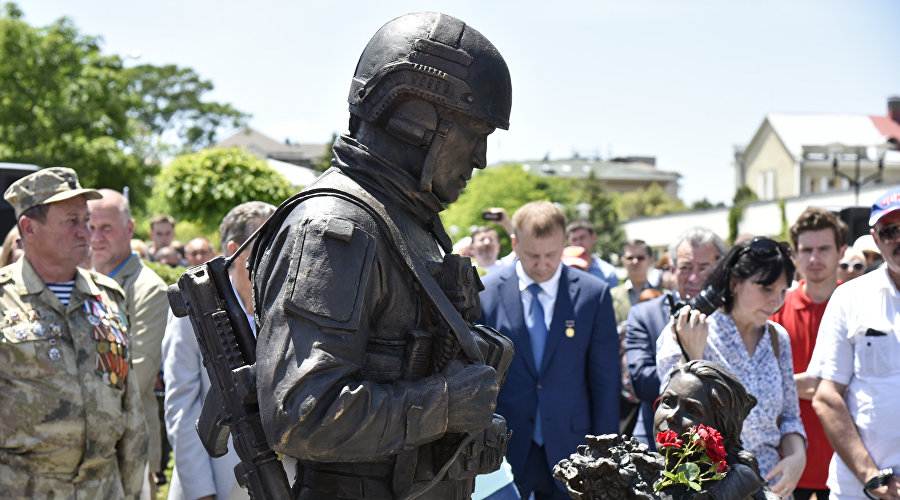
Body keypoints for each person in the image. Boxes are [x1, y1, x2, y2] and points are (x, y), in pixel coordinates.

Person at [249, 12, 512, 500]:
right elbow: (303, 414)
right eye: (475, 132)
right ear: (417, 120)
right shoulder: (336, 229)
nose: (480, 159)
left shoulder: (407, 223)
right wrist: (445, 405)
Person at [0, 167, 147, 497]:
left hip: (103, 488)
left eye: (86, 220)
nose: (86, 232)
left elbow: (130, 407)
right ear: (29, 228)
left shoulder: (108, 296)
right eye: (71, 222)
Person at [479, 201, 620, 499]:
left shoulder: (593, 295)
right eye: (532, 256)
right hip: (506, 447)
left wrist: (606, 454)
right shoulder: (486, 294)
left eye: (551, 255)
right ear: (515, 244)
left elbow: (605, 381)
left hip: (573, 447)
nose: (542, 265)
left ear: (563, 245)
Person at [656, 236, 807, 498]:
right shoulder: (688, 329)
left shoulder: (777, 337)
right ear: (735, 283)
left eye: (783, 291)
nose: (776, 300)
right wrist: (693, 355)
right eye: (766, 288)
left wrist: (797, 457)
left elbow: (791, 416)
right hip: (708, 488)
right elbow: (671, 420)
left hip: (774, 487)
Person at [163, 201, 276, 500]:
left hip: (279, 482)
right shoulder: (197, 307)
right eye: (266, 242)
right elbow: (181, 406)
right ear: (235, 250)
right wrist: (201, 491)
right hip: (212, 485)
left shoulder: (284, 305)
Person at [809, 185, 900, 500]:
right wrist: (873, 478)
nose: (899, 238)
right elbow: (826, 396)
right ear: (876, 239)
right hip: (861, 491)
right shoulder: (850, 297)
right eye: (890, 231)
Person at [88, 188, 170, 499]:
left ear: (130, 229)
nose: (96, 236)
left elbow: (134, 378)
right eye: (90, 227)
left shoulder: (149, 291)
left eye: (106, 227)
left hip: (128, 454)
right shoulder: (83, 282)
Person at [769, 207, 848, 500]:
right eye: (807, 250)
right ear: (795, 255)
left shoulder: (858, 306)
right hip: (787, 462)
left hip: (848, 463)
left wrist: (790, 383)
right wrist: (829, 384)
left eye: (824, 249)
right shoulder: (774, 307)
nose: (814, 258)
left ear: (841, 251)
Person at [624, 226, 728, 448]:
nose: (694, 277)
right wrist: (687, 358)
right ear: (671, 269)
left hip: (720, 448)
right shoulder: (644, 314)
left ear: (719, 268)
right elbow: (643, 383)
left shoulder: (734, 317)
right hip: (657, 446)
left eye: (703, 268)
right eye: (685, 267)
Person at [655, 360, 778, 500]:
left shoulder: (737, 483)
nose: (671, 416)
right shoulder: (635, 469)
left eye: (692, 410)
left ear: (721, 431)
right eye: (667, 402)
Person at [611, 239, 655, 324]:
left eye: (640, 258)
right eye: (630, 258)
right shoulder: (611, 296)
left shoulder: (662, 295)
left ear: (650, 261)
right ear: (623, 261)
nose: (635, 261)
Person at [565, 220, 619, 290]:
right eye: (574, 239)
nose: (578, 242)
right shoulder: (562, 271)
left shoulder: (608, 273)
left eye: (582, 237)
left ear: (593, 238)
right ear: (569, 242)